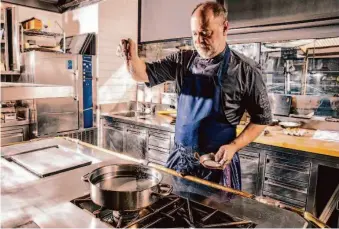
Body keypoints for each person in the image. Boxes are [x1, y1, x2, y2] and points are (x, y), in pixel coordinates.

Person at [117, 1, 272, 190]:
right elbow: (142, 74)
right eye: (195, 34)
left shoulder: (246, 71)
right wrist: (130, 57)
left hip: (216, 165)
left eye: (206, 33)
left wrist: (234, 146)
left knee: (214, 218)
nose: (199, 40)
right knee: (170, 212)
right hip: (179, 161)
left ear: (225, 28)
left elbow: (262, 118)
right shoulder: (182, 60)